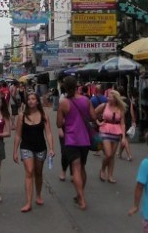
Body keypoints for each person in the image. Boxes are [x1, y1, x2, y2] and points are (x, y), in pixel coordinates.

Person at [57, 75, 96, 210]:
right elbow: (93, 116)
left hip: (71, 139)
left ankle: (81, 199)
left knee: (75, 168)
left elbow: (58, 123)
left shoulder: (63, 103)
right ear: (77, 86)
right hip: (85, 139)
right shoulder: (86, 100)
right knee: (82, 168)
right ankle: (80, 194)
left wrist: (67, 120)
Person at [13, 91, 55, 213]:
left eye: (33, 99)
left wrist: (51, 148)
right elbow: (17, 135)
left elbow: (48, 133)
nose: (31, 101)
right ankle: (28, 202)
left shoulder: (44, 115)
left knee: (38, 172)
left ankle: (38, 195)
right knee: (29, 171)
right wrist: (15, 151)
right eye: (29, 99)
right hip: (26, 147)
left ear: (37, 101)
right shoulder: (21, 116)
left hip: (41, 147)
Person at [95, 89, 126, 184]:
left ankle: (110, 175)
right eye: (107, 96)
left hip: (116, 131)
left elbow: (123, 123)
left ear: (115, 98)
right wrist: (98, 122)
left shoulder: (120, 109)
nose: (108, 98)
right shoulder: (104, 105)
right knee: (108, 154)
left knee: (112, 156)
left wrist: (124, 137)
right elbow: (93, 113)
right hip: (105, 130)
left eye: (110, 97)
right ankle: (103, 169)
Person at [117, 88, 136, 161]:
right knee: (123, 138)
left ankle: (129, 155)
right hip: (128, 120)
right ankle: (119, 153)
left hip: (121, 121)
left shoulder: (119, 101)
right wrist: (133, 121)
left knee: (124, 138)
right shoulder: (128, 100)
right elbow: (131, 111)